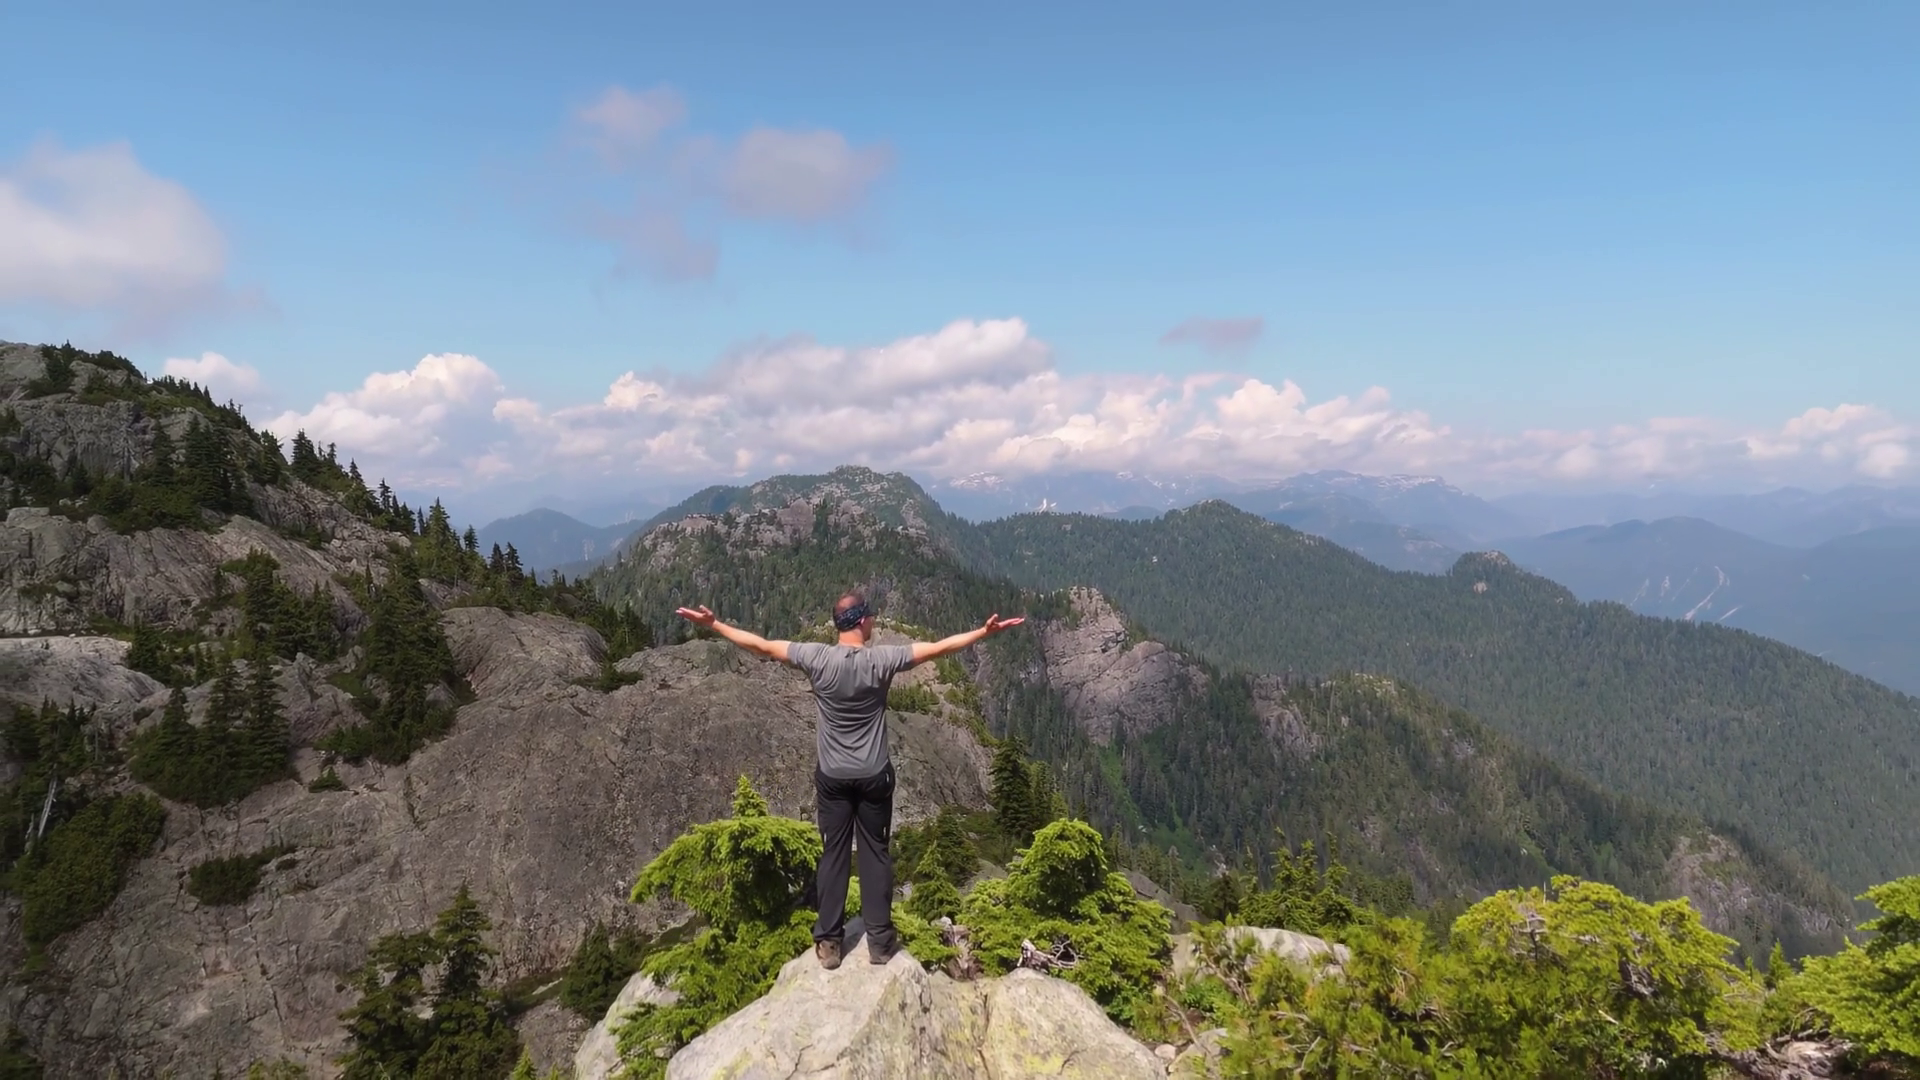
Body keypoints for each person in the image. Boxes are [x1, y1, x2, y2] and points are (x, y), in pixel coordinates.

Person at [673, 591, 1024, 969]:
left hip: (833, 778)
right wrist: (982, 633)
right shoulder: (881, 660)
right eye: (870, 616)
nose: (873, 621)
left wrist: (715, 624)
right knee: (875, 852)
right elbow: (938, 649)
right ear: (860, 621)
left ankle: (828, 943)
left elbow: (761, 646)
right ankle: (880, 944)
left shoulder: (816, 658)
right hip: (874, 776)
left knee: (834, 854)